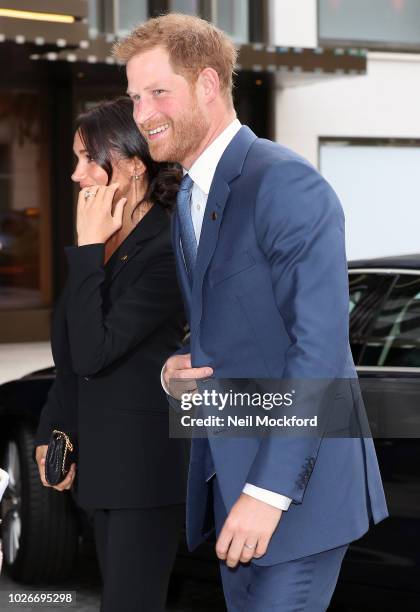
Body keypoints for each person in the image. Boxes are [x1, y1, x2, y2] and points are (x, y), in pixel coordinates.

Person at [114, 14, 389, 612]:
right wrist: (173, 376)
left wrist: (268, 492)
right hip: (230, 491)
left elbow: (319, 350)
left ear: (208, 85)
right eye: (135, 96)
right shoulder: (189, 194)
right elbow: (223, 336)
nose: (141, 114)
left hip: (296, 495)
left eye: (158, 92)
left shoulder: (284, 183)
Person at [34, 97, 187, 612]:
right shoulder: (102, 243)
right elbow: (71, 357)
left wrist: (84, 253)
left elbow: (97, 352)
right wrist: (52, 430)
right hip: (101, 471)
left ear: (133, 165)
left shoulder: (166, 248)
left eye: (86, 159)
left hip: (145, 474)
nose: (76, 175)